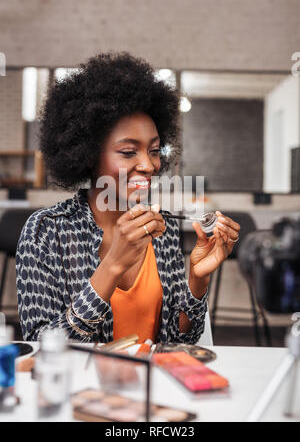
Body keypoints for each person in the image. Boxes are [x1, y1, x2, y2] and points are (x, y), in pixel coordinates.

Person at [16, 52, 240, 343]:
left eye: (155, 150)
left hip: (151, 385)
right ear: (88, 155)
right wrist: (112, 266)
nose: (149, 165)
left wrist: (197, 280)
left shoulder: (163, 229)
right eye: (128, 151)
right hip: (84, 388)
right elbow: (40, 347)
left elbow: (179, 342)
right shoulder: (45, 231)